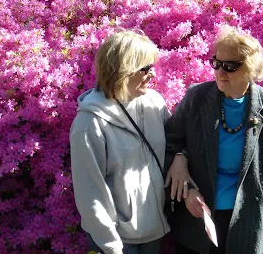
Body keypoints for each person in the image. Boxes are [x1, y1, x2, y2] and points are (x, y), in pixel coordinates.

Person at [165, 26, 263, 254]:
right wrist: (186, 185)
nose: (220, 72)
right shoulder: (196, 97)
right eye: (216, 63)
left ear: (251, 69)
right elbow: (170, 140)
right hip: (196, 219)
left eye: (230, 66)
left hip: (246, 223)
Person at [70, 30, 189, 254]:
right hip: (118, 239)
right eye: (145, 69)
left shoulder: (153, 102)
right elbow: (90, 193)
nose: (152, 75)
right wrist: (111, 247)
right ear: (122, 71)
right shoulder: (89, 124)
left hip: (154, 228)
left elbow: (176, 139)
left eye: (152, 67)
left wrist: (182, 157)